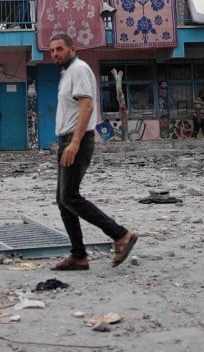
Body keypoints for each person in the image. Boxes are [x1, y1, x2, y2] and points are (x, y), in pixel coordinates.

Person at [48, 32, 137, 270]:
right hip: (67, 138)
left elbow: (87, 106)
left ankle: (121, 235)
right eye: (52, 50)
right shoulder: (67, 73)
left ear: (72, 48)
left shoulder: (79, 70)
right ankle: (78, 255)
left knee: (69, 197)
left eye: (60, 49)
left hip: (77, 139)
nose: (56, 53)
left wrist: (74, 143)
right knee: (63, 199)